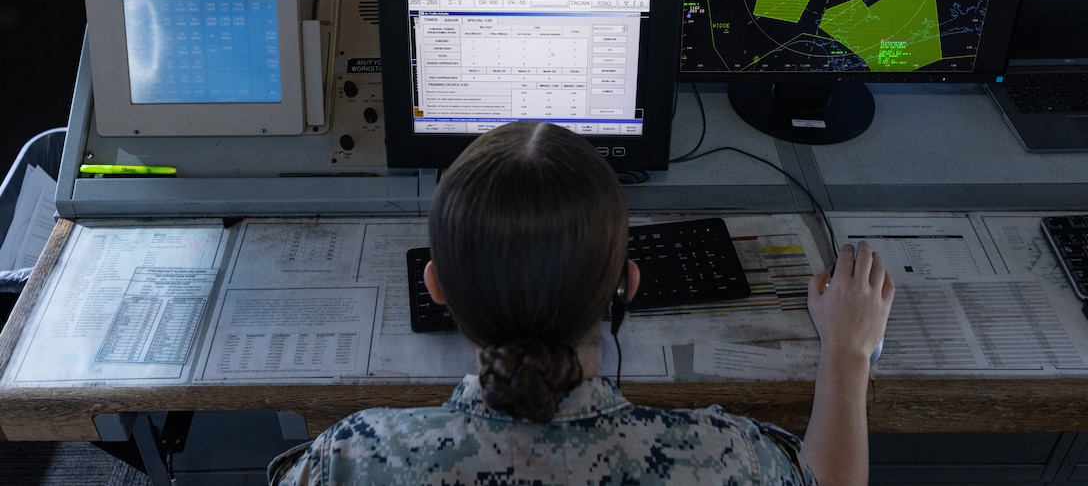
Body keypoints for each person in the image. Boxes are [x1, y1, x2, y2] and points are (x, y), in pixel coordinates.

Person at [268, 121, 894, 485]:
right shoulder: (720, 457)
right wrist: (846, 352)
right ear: (627, 285)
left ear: (436, 288)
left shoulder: (350, 458)